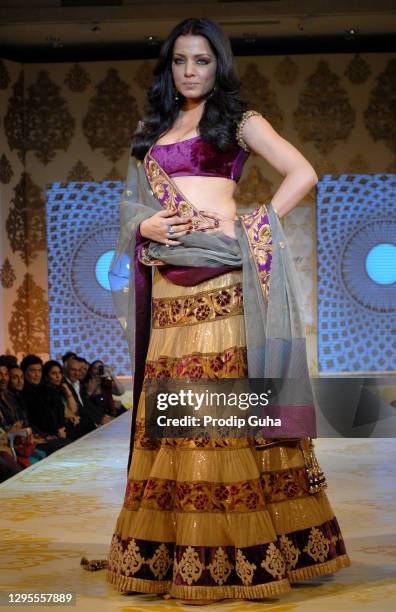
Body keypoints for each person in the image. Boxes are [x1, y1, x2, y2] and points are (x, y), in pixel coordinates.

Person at [87, 18, 350, 604]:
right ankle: (179, 552)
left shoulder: (239, 119)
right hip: (171, 291)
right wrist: (146, 224)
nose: (190, 72)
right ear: (168, 67)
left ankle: (247, 550)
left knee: (223, 419)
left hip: (225, 281)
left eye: (201, 61)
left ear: (218, 64)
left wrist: (253, 226)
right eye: (180, 61)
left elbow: (301, 171)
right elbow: (136, 207)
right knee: (179, 419)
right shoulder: (151, 130)